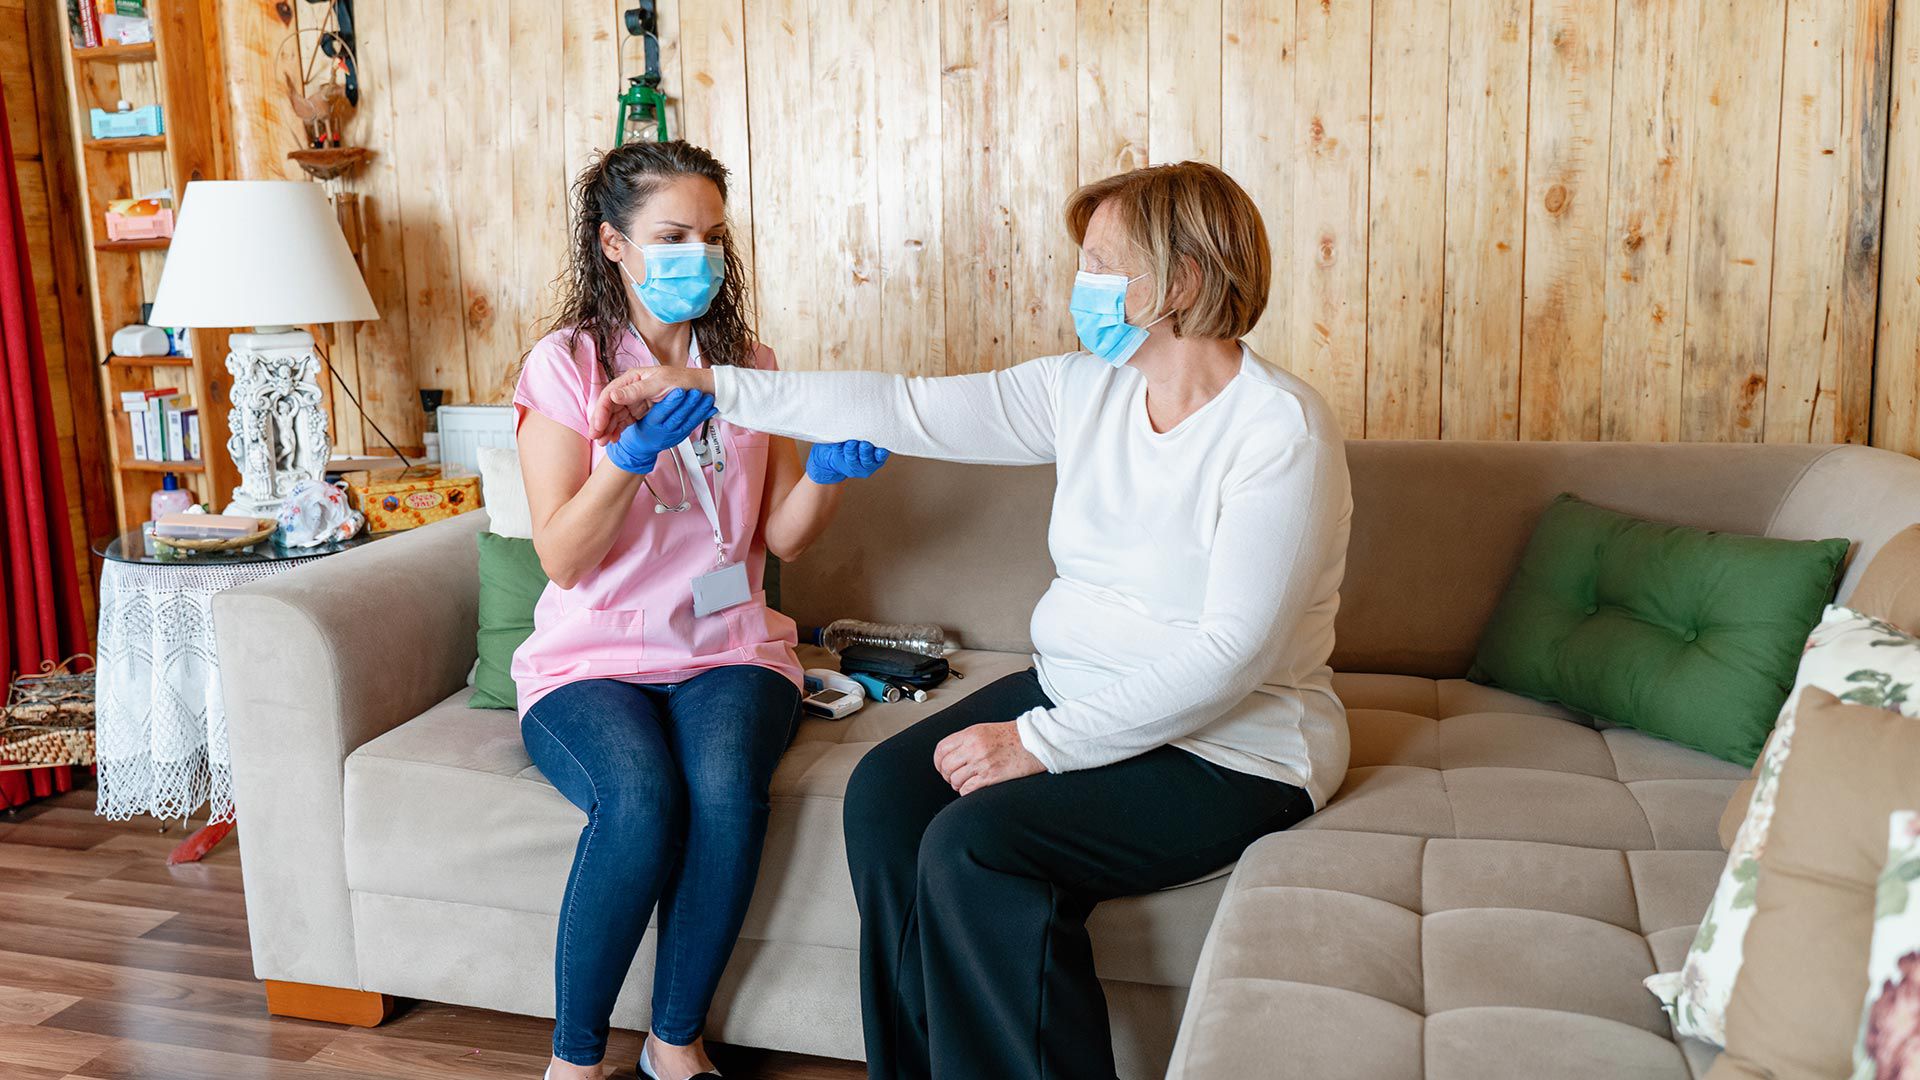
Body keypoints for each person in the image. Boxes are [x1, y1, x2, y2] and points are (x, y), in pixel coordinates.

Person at [592, 161, 1352, 1080]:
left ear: (1181, 281)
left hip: (1234, 746)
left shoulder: (1278, 432)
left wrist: (1041, 741)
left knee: (979, 845)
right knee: (885, 796)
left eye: (1104, 264)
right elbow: (906, 404)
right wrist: (712, 386)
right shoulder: (1087, 389)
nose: (1083, 287)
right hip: (1085, 693)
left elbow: (1232, 657)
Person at [512, 141, 891, 1080]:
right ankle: (574, 1060)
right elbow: (562, 555)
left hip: (730, 648)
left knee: (723, 795)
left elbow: (782, 538)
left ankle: (675, 1042)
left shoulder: (747, 366)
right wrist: (628, 458)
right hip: (593, 659)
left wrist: (832, 478)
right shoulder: (567, 366)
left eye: (712, 236)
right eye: (672, 235)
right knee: (640, 801)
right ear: (612, 243)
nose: (700, 255)